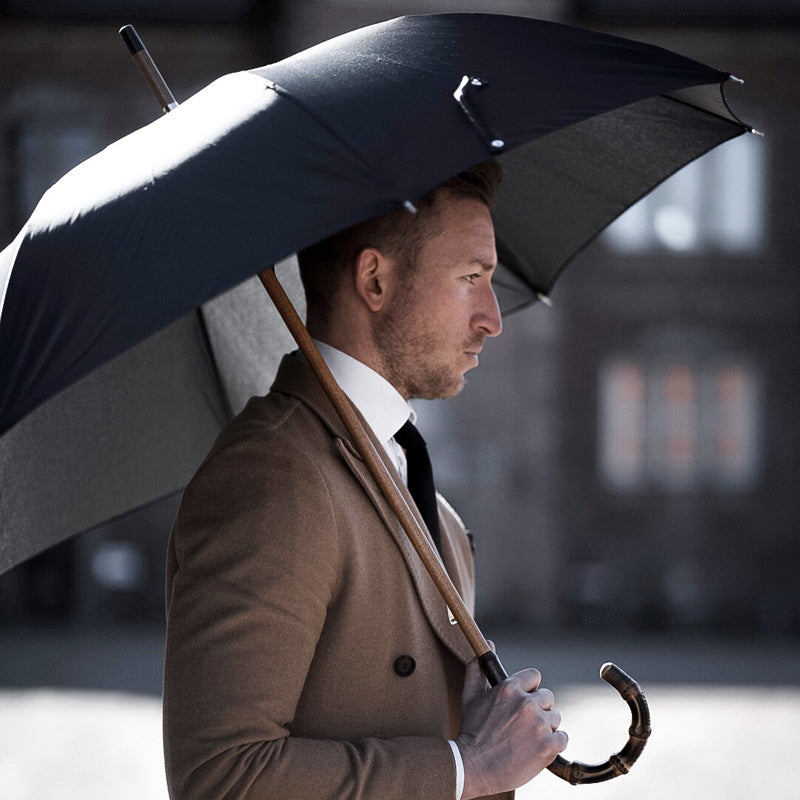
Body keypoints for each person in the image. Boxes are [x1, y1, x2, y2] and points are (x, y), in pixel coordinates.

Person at [162, 160, 568, 800]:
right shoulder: (273, 475)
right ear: (374, 279)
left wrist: (493, 748)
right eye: (470, 279)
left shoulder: (436, 512)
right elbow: (221, 777)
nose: (493, 318)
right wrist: (469, 766)